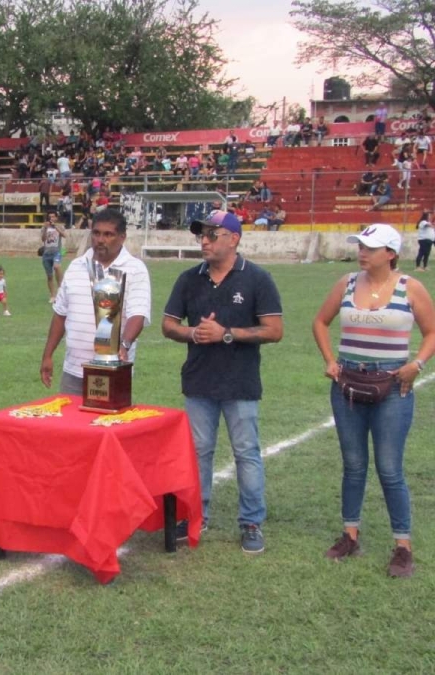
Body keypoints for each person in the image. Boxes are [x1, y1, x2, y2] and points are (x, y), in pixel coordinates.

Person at [312, 224, 435, 578]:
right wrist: (329, 360)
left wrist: (417, 364)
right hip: (348, 383)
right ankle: (350, 535)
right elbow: (320, 322)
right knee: (353, 464)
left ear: (391, 253)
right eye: (360, 245)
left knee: (389, 468)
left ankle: (402, 546)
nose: (362, 252)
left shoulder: (411, 288)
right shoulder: (347, 283)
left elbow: (431, 332)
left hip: (393, 386)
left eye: (371, 247)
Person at [161, 210, 283, 554]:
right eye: (201, 235)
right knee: (198, 453)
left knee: (246, 453)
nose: (204, 241)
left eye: (212, 235)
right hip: (199, 382)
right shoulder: (188, 279)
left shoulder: (257, 278)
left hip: (240, 383)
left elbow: (274, 330)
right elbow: (168, 325)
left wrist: (226, 334)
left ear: (234, 238)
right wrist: (193, 333)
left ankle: (251, 522)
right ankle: (197, 516)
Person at [40, 208, 151, 395]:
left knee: (108, 423)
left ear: (122, 237)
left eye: (108, 234)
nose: (100, 239)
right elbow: (60, 314)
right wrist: (48, 355)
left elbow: (138, 315)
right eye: (97, 233)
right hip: (74, 369)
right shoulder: (76, 266)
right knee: (71, 423)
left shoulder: (135, 269)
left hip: (113, 369)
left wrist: (124, 346)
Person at [40, 212, 66, 303]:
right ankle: (52, 296)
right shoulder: (45, 227)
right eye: (50, 216)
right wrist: (45, 228)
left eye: (53, 216)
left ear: (56, 218)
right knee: (49, 276)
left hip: (57, 252)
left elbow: (64, 235)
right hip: (46, 253)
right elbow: (43, 239)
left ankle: (60, 287)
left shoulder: (59, 226)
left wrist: (56, 227)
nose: (51, 218)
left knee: (57, 266)